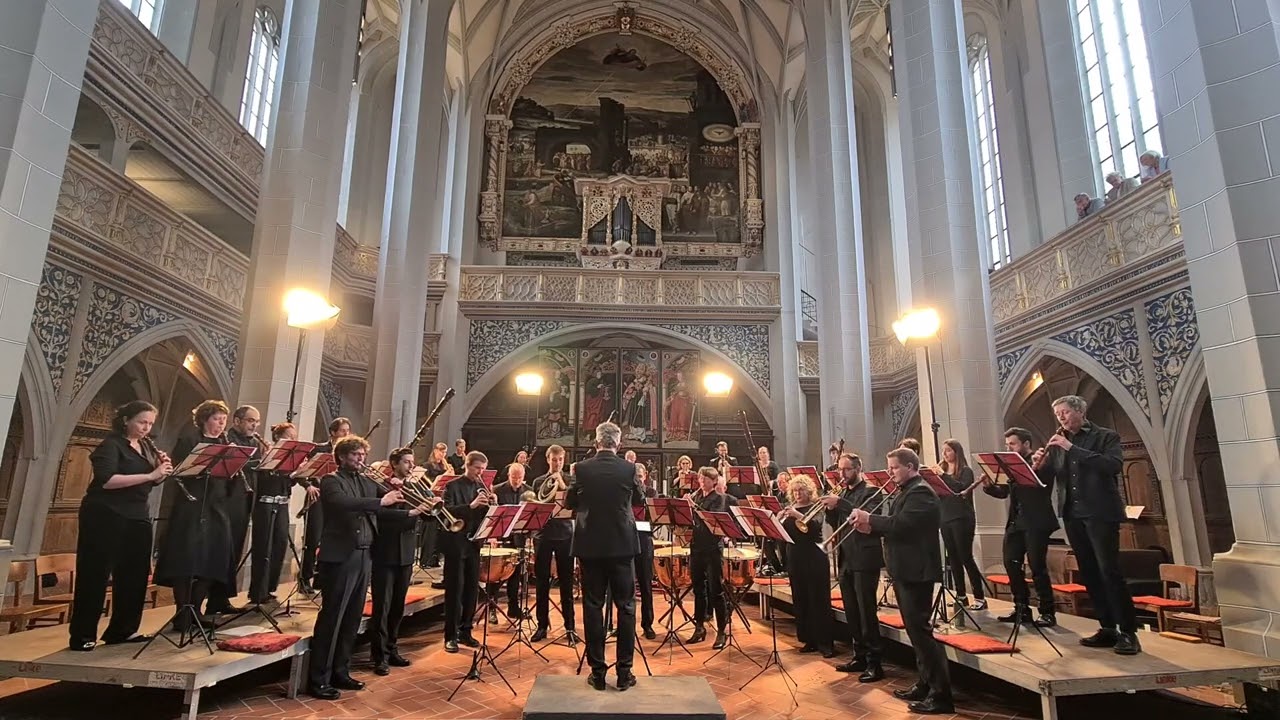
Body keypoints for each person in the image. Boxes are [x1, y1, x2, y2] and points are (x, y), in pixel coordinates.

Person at [307, 436, 422, 700]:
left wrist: (408, 507)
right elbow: (346, 504)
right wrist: (382, 500)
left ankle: (341, 671)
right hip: (340, 558)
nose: (361, 459)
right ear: (343, 456)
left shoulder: (366, 481)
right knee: (332, 618)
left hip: (364, 556)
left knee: (352, 618)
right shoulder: (331, 481)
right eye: (356, 455)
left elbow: (386, 506)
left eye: (363, 454)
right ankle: (318, 679)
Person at [1033, 395, 1139, 655]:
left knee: (1109, 571)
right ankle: (1107, 627)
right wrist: (1039, 464)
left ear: (1080, 411)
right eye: (1058, 414)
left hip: (1100, 512)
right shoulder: (1058, 445)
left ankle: (1128, 632)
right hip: (1073, 514)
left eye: (1065, 412)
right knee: (1089, 572)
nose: (1061, 418)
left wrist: (1071, 448)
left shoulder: (1105, 437)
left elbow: (1112, 465)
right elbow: (1049, 479)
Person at [850, 448, 952, 715]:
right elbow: (897, 526)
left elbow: (903, 524)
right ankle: (925, 683)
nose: (890, 472)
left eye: (894, 467)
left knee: (921, 632)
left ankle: (941, 695)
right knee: (915, 631)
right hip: (905, 569)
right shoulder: (907, 491)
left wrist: (870, 518)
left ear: (910, 466)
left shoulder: (920, 491)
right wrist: (870, 527)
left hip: (916, 571)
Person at [69, 401, 173, 651]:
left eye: (149, 424)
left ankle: (123, 630)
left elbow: (149, 483)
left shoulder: (145, 447)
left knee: (135, 575)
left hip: (137, 514)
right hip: (105, 514)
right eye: (141, 422)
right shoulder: (111, 445)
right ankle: (83, 636)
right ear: (126, 420)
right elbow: (107, 481)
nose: (146, 428)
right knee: (95, 574)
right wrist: (150, 475)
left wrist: (161, 473)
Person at [566, 421, 645, 691]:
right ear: (618, 442)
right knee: (626, 607)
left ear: (596, 441)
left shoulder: (581, 468)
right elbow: (639, 501)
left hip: (590, 545)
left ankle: (597, 673)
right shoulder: (629, 468)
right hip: (622, 545)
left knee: (592, 605)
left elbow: (570, 503)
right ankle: (624, 674)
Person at [154, 400, 234, 633]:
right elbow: (179, 472)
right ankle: (182, 612)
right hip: (191, 505)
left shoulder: (224, 443)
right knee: (187, 558)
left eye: (223, 420)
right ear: (204, 419)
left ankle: (196, 609)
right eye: (217, 419)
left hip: (216, 506)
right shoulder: (189, 440)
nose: (221, 424)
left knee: (214, 558)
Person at [983, 427, 1058, 627]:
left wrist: (1036, 467)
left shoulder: (1042, 461)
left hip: (1037, 520)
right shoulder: (1012, 465)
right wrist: (990, 486)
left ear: (1026, 444)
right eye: (1007, 445)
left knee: (1037, 566)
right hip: (1016, 522)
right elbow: (1003, 493)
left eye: (1013, 444)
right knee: (1010, 563)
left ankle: (1047, 611)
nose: (1009, 448)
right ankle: (1021, 608)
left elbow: (1043, 485)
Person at [820, 453, 885, 681]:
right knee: (851, 611)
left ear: (858, 468)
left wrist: (841, 503)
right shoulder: (844, 492)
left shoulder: (871, 490)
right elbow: (836, 523)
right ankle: (859, 655)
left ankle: (874, 663)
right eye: (840, 469)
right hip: (846, 557)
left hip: (865, 558)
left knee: (866, 612)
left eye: (846, 469)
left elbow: (868, 517)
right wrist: (830, 510)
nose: (842, 474)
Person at [369, 447, 429, 676]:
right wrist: (411, 513)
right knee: (381, 607)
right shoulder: (381, 486)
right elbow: (380, 515)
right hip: (385, 551)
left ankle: (392, 649)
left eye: (412, 462)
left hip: (405, 553)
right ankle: (378, 656)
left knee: (397, 606)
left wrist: (431, 507)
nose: (411, 466)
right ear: (394, 463)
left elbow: (425, 517)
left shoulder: (414, 486)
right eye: (406, 462)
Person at [207, 405, 262, 613]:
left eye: (256, 421)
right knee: (223, 551)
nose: (254, 425)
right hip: (227, 500)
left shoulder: (256, 442)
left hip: (245, 500)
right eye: (250, 420)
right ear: (237, 421)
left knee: (235, 551)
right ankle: (212, 599)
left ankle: (220, 600)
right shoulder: (228, 439)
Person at [778, 475, 834, 657]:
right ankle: (808, 639)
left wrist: (797, 515)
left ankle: (825, 642)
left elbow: (816, 526)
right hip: (795, 556)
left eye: (801, 490)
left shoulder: (816, 506)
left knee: (818, 599)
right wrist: (778, 520)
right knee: (801, 598)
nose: (798, 493)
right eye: (794, 490)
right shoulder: (790, 508)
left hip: (814, 555)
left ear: (809, 491)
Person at [441, 451, 492, 653]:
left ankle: (466, 631)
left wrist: (491, 505)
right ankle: (450, 635)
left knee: (472, 589)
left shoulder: (481, 487)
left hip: (473, 543)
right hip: (455, 543)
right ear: (467, 465)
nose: (480, 472)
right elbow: (446, 510)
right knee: (455, 590)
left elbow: (484, 515)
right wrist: (471, 506)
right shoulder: (452, 486)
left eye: (483, 469)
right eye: (477, 468)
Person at [530, 446, 579, 644]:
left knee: (566, 583)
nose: (557, 463)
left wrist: (561, 484)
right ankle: (542, 625)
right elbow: (535, 505)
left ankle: (570, 627)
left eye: (560, 460)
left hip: (565, 535)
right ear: (547, 459)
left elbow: (574, 504)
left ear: (564, 460)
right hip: (543, 535)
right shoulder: (538, 481)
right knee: (541, 583)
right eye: (554, 459)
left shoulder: (570, 480)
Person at [299, 417, 352, 595]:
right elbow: (302, 470)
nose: (346, 433)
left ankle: (323, 579)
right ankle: (304, 578)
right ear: (333, 432)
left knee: (331, 539)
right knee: (313, 539)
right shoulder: (319, 449)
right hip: (319, 497)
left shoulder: (348, 453)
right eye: (343, 430)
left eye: (347, 430)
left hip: (337, 499)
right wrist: (309, 485)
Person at [248, 422, 298, 604]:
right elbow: (261, 479)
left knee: (279, 545)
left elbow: (289, 483)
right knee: (263, 547)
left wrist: (295, 471)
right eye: (289, 437)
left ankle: (269, 588)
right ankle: (257, 592)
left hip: (282, 503)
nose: (293, 440)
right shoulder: (265, 452)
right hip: (265, 503)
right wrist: (268, 461)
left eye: (294, 437)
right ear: (278, 437)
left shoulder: (290, 457)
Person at [689, 466, 736, 648]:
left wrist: (693, 506)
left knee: (716, 590)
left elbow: (710, 519)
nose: (702, 481)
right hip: (697, 547)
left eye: (706, 479)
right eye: (700, 478)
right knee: (698, 589)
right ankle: (699, 626)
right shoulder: (696, 496)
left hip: (713, 549)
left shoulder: (720, 499)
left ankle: (722, 631)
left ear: (714, 481)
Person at [936, 439, 986, 611]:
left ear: (957, 452)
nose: (945, 454)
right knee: (954, 559)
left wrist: (942, 477)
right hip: (945, 517)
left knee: (965, 556)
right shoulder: (941, 471)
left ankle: (979, 597)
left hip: (962, 518)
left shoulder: (965, 471)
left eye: (948, 450)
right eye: (944, 451)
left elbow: (960, 489)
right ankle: (961, 595)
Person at [485, 463, 528, 623]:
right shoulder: (497, 490)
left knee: (515, 575)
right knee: (496, 576)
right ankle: (492, 608)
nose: (517, 480)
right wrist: (493, 537)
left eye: (520, 478)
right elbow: (491, 515)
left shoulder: (528, 490)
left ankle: (513, 607)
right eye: (514, 477)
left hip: (518, 538)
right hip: (500, 537)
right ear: (508, 475)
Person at [633, 462, 657, 639]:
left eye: (640, 477)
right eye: (635, 478)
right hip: (626, 541)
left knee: (646, 584)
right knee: (625, 586)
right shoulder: (626, 492)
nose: (638, 481)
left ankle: (647, 624)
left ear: (645, 476)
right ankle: (625, 624)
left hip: (644, 541)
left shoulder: (651, 493)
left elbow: (654, 519)